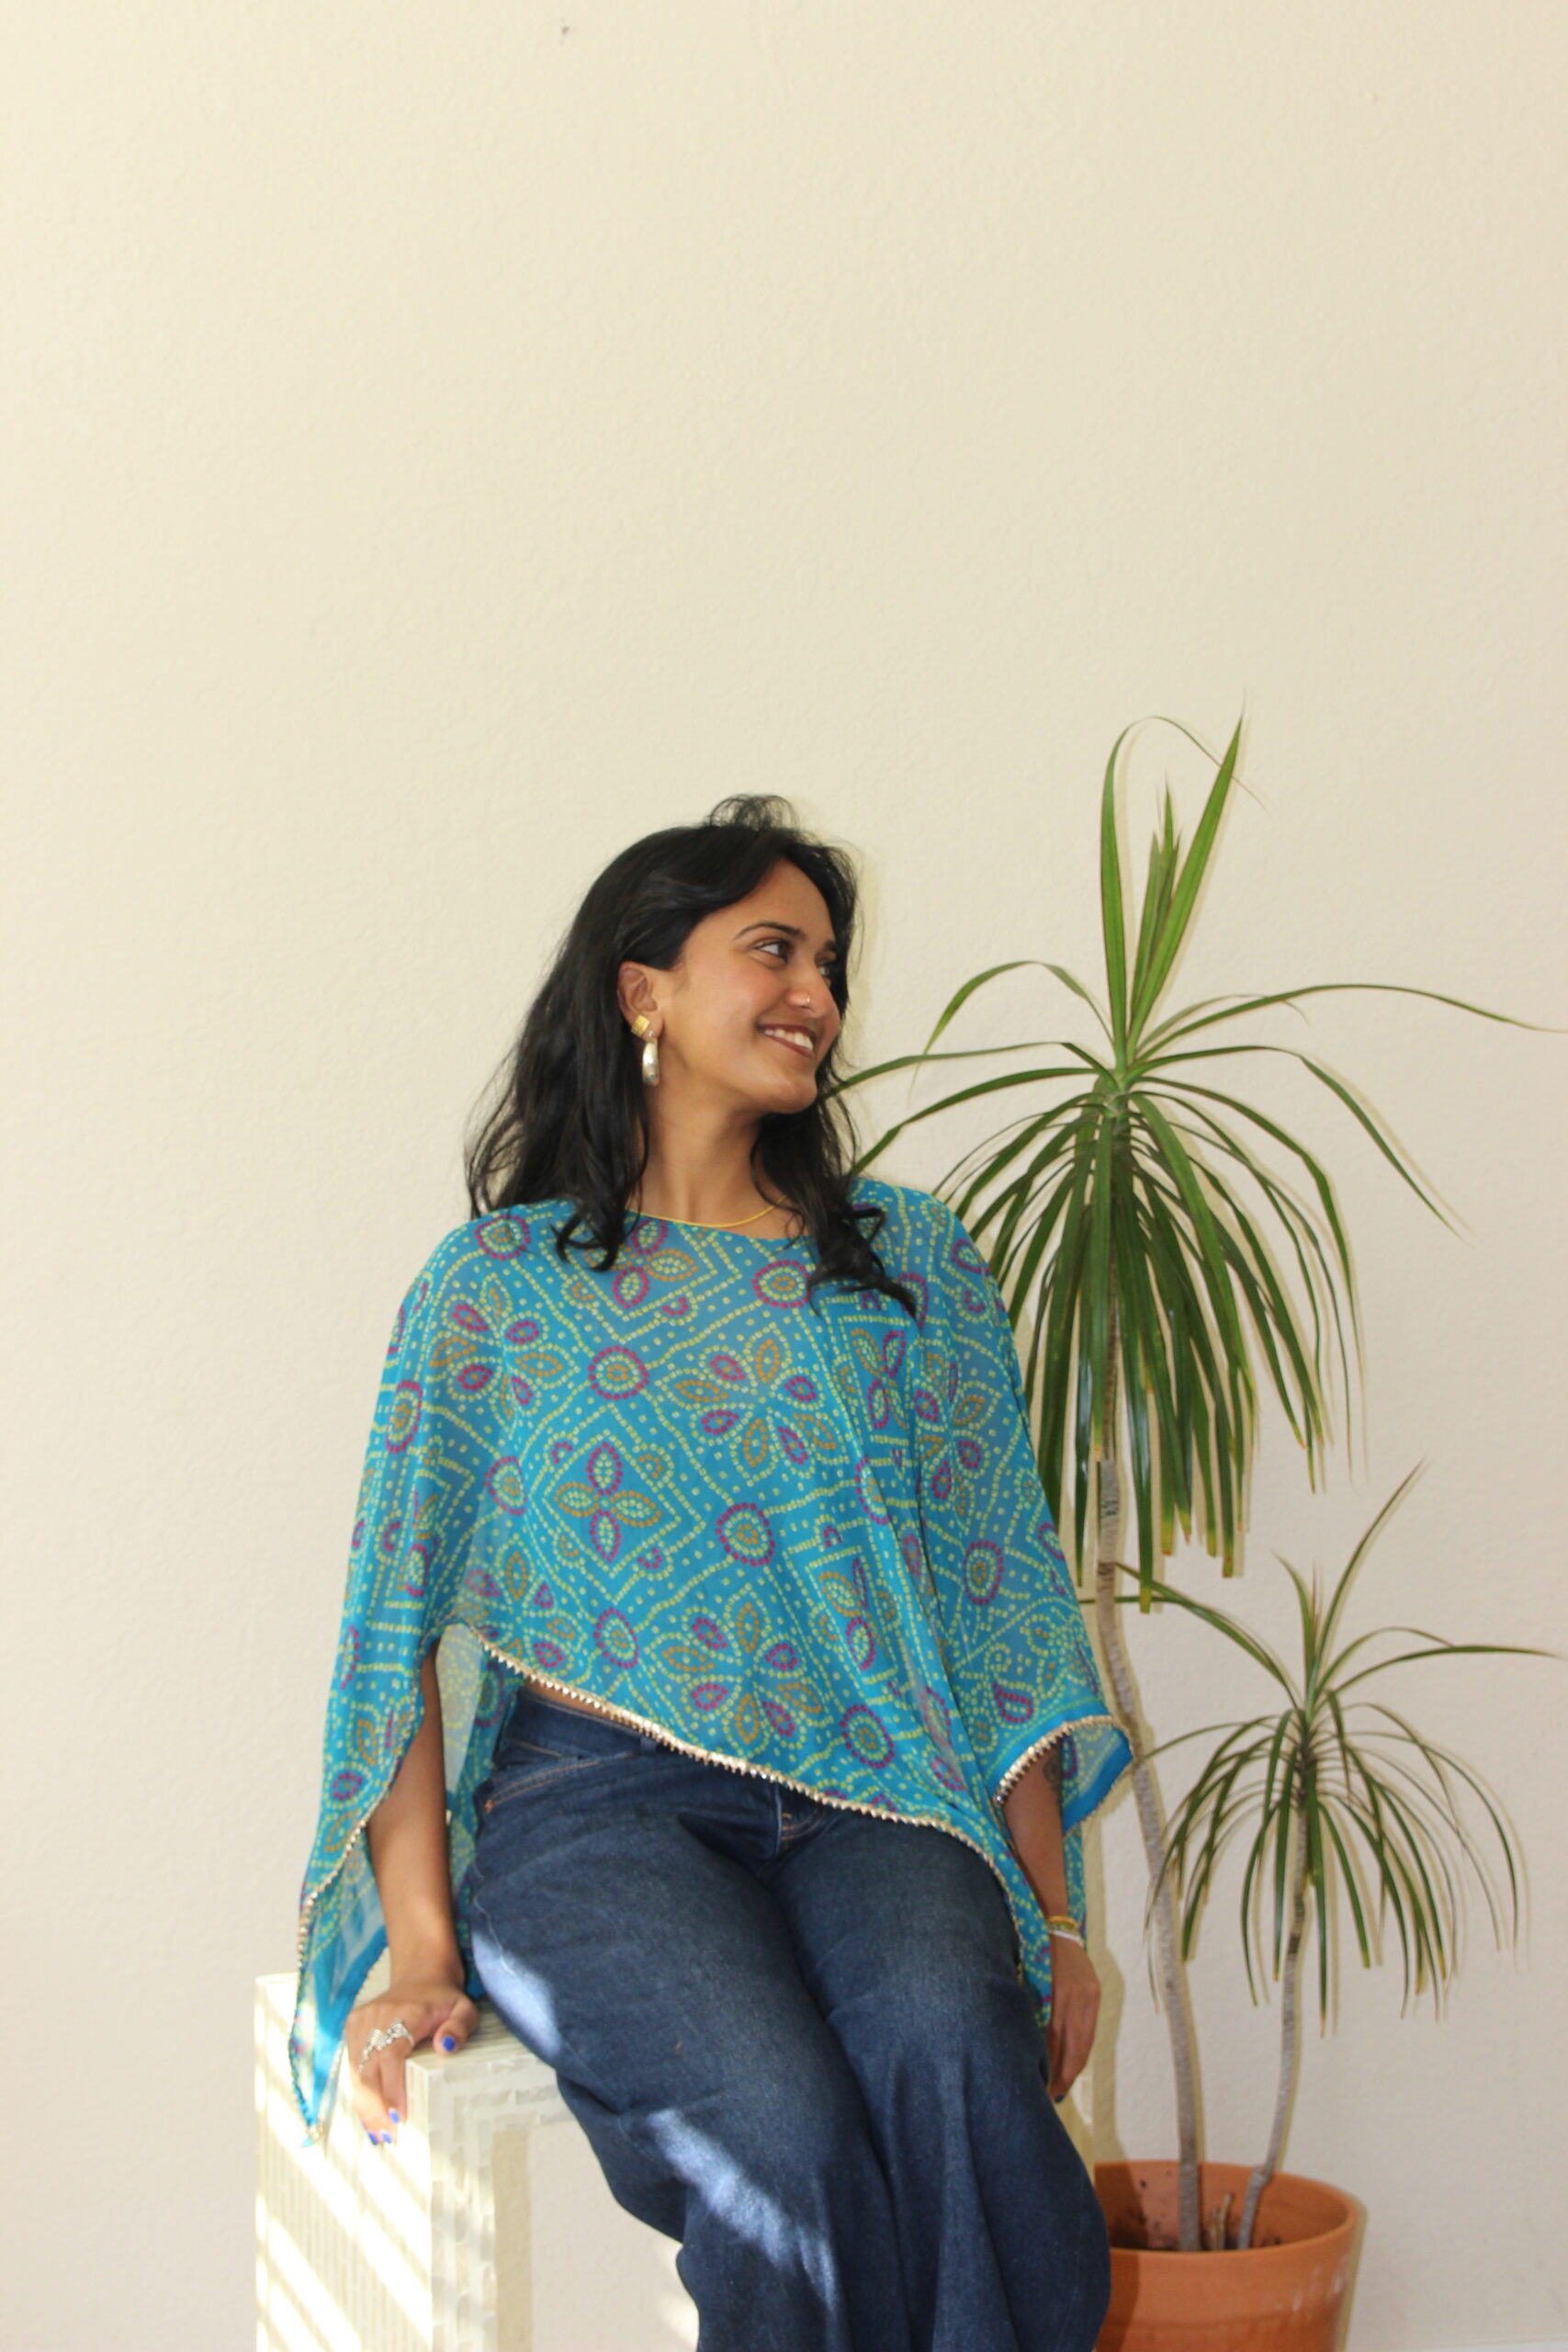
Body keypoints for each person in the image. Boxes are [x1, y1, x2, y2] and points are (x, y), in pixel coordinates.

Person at [290, 794, 1132, 2350]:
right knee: (777, 2136)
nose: (816, 994)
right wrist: (420, 1946)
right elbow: (392, 1628)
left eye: (828, 964)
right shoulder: (496, 1291)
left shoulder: (909, 1264)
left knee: (955, 2050)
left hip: (881, 1796)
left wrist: (1052, 1918)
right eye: (773, 950)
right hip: (593, 1809)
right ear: (644, 991)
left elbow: (1001, 1602)